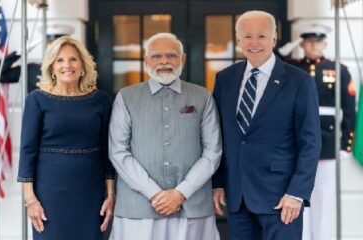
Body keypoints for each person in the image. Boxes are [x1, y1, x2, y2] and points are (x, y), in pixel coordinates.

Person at [212, 10, 321, 240]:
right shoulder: (225, 79)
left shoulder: (300, 81)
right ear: (238, 39)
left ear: (274, 38)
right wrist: (218, 183)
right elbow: (219, 135)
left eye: (261, 36)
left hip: (282, 199)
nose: (254, 43)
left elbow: (310, 143)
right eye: (247, 36)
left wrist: (297, 193)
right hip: (237, 197)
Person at [108, 32, 222, 240]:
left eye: (171, 55)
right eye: (156, 56)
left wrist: (181, 193)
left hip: (192, 205)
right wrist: (154, 193)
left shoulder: (202, 97)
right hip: (138, 207)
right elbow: (118, 152)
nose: (164, 62)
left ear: (183, 59)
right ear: (145, 60)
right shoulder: (126, 97)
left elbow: (213, 152)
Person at [17, 36, 115, 240]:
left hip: (90, 192)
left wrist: (111, 194)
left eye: (73, 59)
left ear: (83, 65)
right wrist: (30, 200)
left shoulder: (101, 100)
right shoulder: (37, 100)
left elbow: (108, 152)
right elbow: (27, 152)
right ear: (51, 67)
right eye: (59, 60)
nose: (67, 65)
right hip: (49, 193)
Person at [278, 23, 356, 240]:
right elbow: (273, 57)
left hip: (327, 141)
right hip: (297, 140)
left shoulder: (338, 69)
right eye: (309, 41)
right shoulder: (293, 67)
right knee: (298, 194)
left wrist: (344, 145)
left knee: (323, 196)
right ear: (303, 43)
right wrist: (290, 46)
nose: (314, 45)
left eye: (318, 41)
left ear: (325, 43)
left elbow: (349, 110)